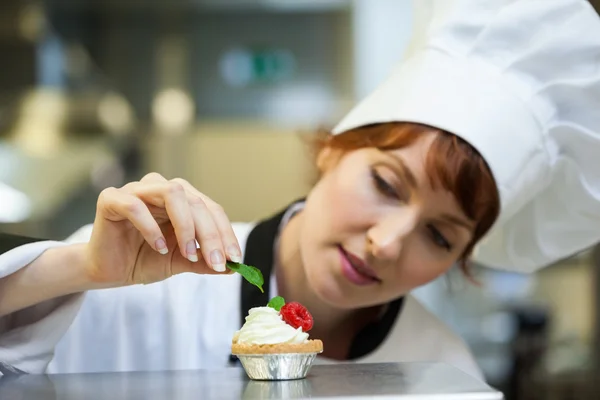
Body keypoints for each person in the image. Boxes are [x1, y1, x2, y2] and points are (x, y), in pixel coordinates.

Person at [1, 0, 599, 381]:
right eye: (387, 184)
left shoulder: (441, 375)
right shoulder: (139, 285)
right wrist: (78, 268)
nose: (386, 243)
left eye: (440, 235)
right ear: (333, 150)